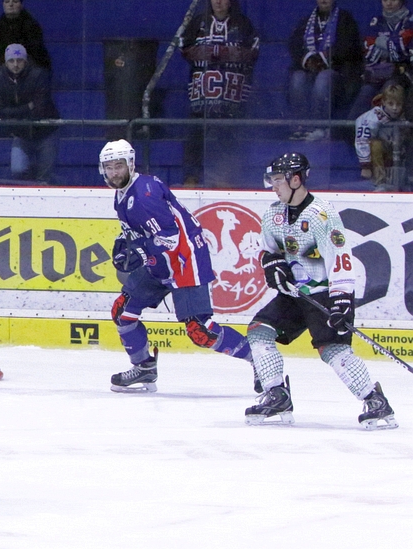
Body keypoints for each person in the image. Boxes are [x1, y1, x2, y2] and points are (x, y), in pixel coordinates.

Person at [245, 153, 397, 429]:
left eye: (278, 180)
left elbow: (340, 258)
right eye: (272, 180)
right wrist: (272, 264)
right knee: (259, 330)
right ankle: (277, 395)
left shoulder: (321, 215)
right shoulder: (272, 214)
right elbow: (268, 251)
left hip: (325, 294)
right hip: (294, 294)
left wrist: (341, 300)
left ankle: (375, 400)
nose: (273, 186)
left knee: (333, 350)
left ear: (296, 179)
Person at [98, 139, 254, 392]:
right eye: (109, 167)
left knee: (200, 330)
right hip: (159, 260)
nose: (114, 172)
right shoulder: (122, 194)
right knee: (123, 312)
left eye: (119, 166)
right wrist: (123, 243)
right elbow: (140, 232)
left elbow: (170, 237)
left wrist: (141, 251)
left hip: (185, 259)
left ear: (131, 164)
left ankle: (260, 360)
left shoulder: (145, 194)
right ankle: (144, 368)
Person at [179, 0, 259, 187]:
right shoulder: (198, 22)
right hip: (202, 92)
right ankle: (191, 178)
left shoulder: (243, 24)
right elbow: (183, 46)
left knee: (228, 134)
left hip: (231, 91)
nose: (219, 2)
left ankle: (226, 178)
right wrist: (211, 52)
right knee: (195, 133)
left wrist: (222, 53)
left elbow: (253, 50)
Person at [287, 0, 363, 140]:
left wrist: (324, 58)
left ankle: (319, 127)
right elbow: (294, 45)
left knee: (323, 78)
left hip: (337, 72)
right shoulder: (307, 21)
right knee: (297, 78)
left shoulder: (345, 19)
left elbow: (348, 48)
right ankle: (300, 127)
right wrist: (308, 60)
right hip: (309, 70)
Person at [0, 43, 58, 183]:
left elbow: (40, 108)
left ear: (26, 61)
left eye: (19, 60)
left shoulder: (39, 75)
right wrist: (27, 108)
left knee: (44, 177)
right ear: (6, 62)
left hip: (46, 132)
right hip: (21, 133)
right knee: (18, 170)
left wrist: (12, 112)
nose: (16, 65)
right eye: (11, 61)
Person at [348, 0, 413, 122]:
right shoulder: (376, 21)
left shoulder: (410, 20)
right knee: (366, 92)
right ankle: (351, 131)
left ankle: (386, 132)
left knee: (390, 89)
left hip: (403, 74)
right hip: (378, 73)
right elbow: (368, 48)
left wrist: (381, 42)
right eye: (385, 0)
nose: (389, 3)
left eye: (393, 0)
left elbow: (406, 48)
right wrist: (394, 44)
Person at [355, 80, 411, 189]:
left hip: (396, 151)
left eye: (398, 104)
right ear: (384, 102)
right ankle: (380, 181)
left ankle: (405, 180)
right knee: (376, 145)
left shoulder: (405, 116)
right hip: (378, 155)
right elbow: (362, 139)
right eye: (391, 104)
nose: (394, 108)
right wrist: (365, 165)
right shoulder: (372, 118)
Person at [0, 0, 50, 71]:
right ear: (3, 5)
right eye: (7, 2)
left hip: (26, 69)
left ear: (21, 5)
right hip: (1, 69)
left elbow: (36, 52)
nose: (10, 4)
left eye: (15, 2)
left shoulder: (32, 26)